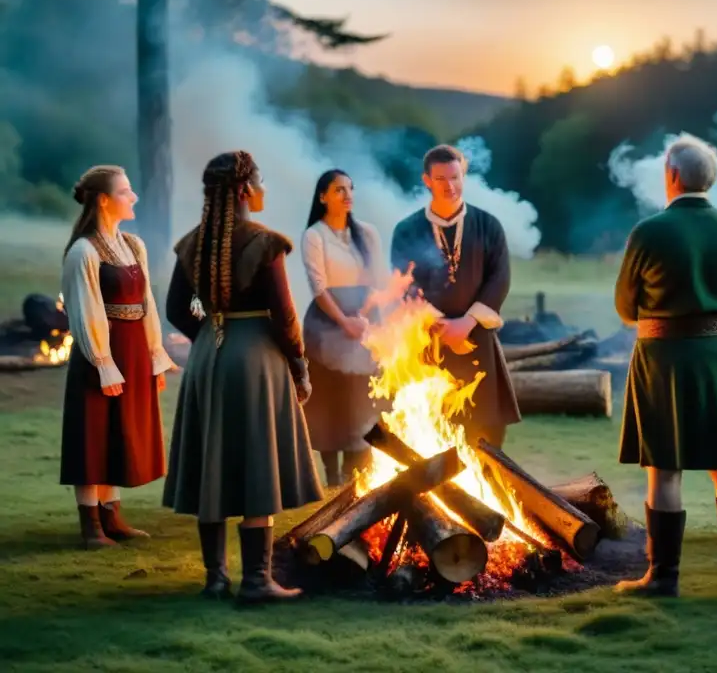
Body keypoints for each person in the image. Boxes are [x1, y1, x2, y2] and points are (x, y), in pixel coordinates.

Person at [163, 151, 323, 604]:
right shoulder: (264, 242)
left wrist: (215, 333)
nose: (264, 187)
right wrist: (299, 365)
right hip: (255, 362)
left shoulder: (193, 243)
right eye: (260, 179)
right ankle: (256, 580)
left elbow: (176, 308)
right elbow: (285, 317)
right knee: (257, 465)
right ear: (243, 190)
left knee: (212, 462)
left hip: (207, 361)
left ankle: (215, 579)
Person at [613, 136, 717, 599]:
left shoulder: (649, 232)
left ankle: (662, 579)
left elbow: (625, 306)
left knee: (664, 469)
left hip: (664, 361)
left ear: (672, 175)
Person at [60, 165, 174, 549]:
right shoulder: (83, 251)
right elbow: (85, 310)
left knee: (119, 433)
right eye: (126, 191)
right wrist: (102, 362)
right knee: (92, 433)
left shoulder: (133, 245)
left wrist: (155, 357)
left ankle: (112, 516)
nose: (134, 197)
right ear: (104, 200)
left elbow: (147, 306)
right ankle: (91, 525)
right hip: (102, 352)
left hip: (133, 349)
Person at [389, 144, 521, 448]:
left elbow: (500, 278)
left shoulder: (488, 226)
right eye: (440, 179)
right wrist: (438, 324)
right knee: (431, 429)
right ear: (426, 180)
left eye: (455, 177)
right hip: (427, 342)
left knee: (486, 433)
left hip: (477, 340)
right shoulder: (407, 230)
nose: (450, 186)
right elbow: (402, 283)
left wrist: (466, 323)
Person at [301, 169, 390, 486]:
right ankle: (331, 472)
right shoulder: (315, 235)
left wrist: (363, 318)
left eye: (350, 188)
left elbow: (378, 280)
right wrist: (343, 321)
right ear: (323, 196)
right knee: (329, 397)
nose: (347, 194)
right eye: (339, 189)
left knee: (363, 395)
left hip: (365, 318)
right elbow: (318, 286)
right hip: (327, 322)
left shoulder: (367, 234)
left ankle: (360, 470)